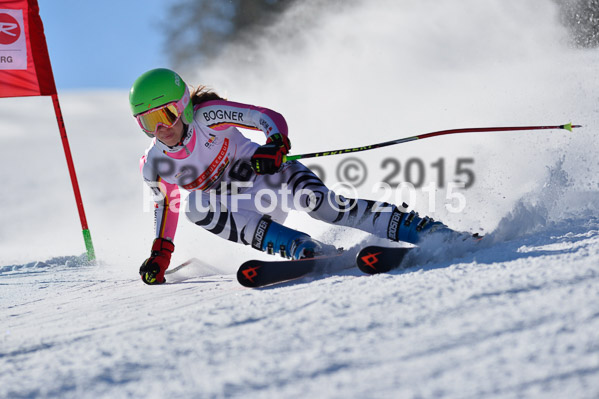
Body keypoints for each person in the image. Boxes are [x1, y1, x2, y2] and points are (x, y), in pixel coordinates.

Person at [131, 68, 462, 285]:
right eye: (148, 122)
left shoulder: (210, 116)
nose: (161, 128)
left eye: (166, 114)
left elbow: (266, 117)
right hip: (245, 211)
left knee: (324, 207)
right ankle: (300, 248)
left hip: (271, 178)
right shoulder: (155, 163)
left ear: (185, 105)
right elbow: (166, 206)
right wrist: (161, 254)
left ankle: (426, 230)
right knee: (195, 205)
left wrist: (274, 144)